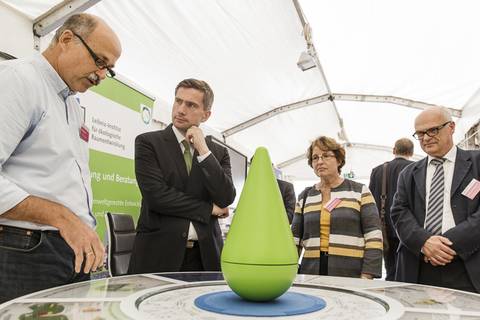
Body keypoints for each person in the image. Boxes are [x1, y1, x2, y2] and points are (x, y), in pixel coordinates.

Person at [0, 13, 122, 302]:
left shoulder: (71, 104)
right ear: (66, 39)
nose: (102, 75)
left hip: (66, 251)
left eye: (109, 69)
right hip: (26, 251)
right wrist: (64, 218)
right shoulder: (19, 80)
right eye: (99, 61)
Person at [128, 79, 236, 273]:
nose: (181, 109)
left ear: (206, 115)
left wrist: (203, 150)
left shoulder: (217, 153)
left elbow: (226, 197)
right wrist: (209, 208)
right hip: (158, 256)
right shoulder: (148, 143)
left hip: (206, 258)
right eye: (178, 101)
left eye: (191, 105)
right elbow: (157, 197)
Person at [391, 106, 480, 293]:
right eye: (420, 133)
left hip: (469, 264)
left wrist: (444, 244)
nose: (426, 137)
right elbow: (399, 212)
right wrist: (424, 242)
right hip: (419, 266)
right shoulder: (408, 173)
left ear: (452, 127)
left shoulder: (477, 163)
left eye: (433, 130)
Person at [292, 136, 383, 278]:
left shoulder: (359, 191)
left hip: (350, 271)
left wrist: (368, 274)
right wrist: (287, 270)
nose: (320, 162)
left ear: (339, 160)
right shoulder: (305, 196)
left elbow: (374, 235)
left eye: (326, 156)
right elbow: (294, 240)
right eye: (315, 158)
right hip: (311, 271)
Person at [369, 138, 414, 280]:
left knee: (390, 268)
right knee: (408, 269)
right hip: (409, 228)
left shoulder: (377, 171)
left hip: (384, 227)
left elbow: (370, 201)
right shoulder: (416, 168)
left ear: (394, 150)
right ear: (412, 152)